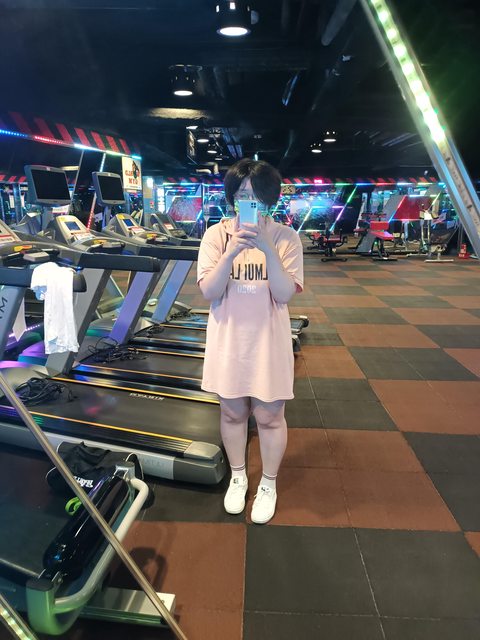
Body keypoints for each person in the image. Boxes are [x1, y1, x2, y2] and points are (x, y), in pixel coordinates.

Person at [197, 159, 304, 524]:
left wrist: (267, 248)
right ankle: (239, 476)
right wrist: (231, 251)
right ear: (232, 198)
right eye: (243, 195)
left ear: (269, 200)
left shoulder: (286, 237)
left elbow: (284, 294)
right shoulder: (215, 236)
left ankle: (268, 483)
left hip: (268, 342)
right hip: (229, 340)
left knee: (271, 417)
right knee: (231, 412)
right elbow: (209, 291)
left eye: (257, 196)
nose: (250, 202)